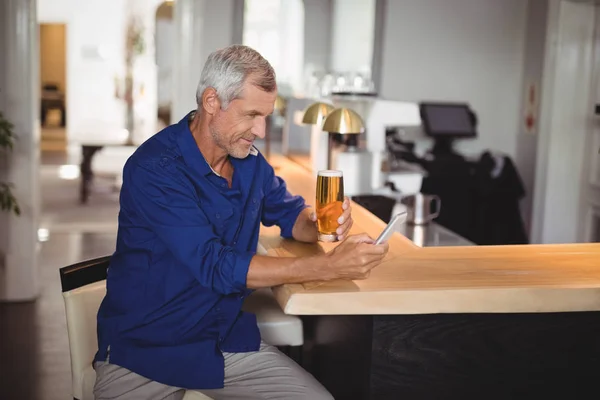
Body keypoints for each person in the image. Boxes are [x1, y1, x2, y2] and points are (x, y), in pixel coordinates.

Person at [93, 44, 389, 400]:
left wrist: (321, 224)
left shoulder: (250, 162)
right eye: (251, 115)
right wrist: (329, 268)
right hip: (144, 351)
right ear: (212, 102)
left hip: (220, 341)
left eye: (266, 116)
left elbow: (290, 213)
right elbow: (215, 265)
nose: (261, 131)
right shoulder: (155, 169)